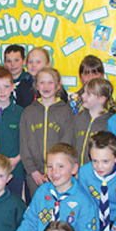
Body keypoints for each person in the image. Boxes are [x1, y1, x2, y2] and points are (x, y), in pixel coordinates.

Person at [20, 67, 75, 196]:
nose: (46, 86)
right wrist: (33, 171)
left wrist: (54, 170)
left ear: (58, 86)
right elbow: (24, 145)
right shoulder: (28, 112)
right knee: (38, 211)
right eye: (42, 82)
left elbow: (67, 144)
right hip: (34, 176)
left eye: (50, 82)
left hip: (59, 173)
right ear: (36, 86)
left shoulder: (65, 112)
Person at [0, 65, 26, 198]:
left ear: (13, 87)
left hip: (15, 169)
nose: (2, 91)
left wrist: (17, 159)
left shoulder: (21, 113)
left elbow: (26, 141)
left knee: (14, 203)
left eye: (6, 86)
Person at [73, 77, 114, 166]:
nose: (83, 96)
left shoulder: (110, 122)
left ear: (101, 99)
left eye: (88, 93)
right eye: (84, 92)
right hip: (75, 172)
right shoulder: (77, 118)